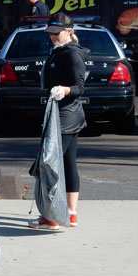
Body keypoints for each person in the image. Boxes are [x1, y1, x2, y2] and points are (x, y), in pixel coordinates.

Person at [29, 13, 87, 231]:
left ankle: (51, 217)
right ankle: (71, 214)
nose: (53, 37)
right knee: (69, 163)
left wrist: (65, 89)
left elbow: (80, 87)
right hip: (65, 115)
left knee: (49, 165)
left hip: (65, 117)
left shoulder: (72, 54)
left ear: (69, 31)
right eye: (51, 33)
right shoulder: (59, 51)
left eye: (57, 33)